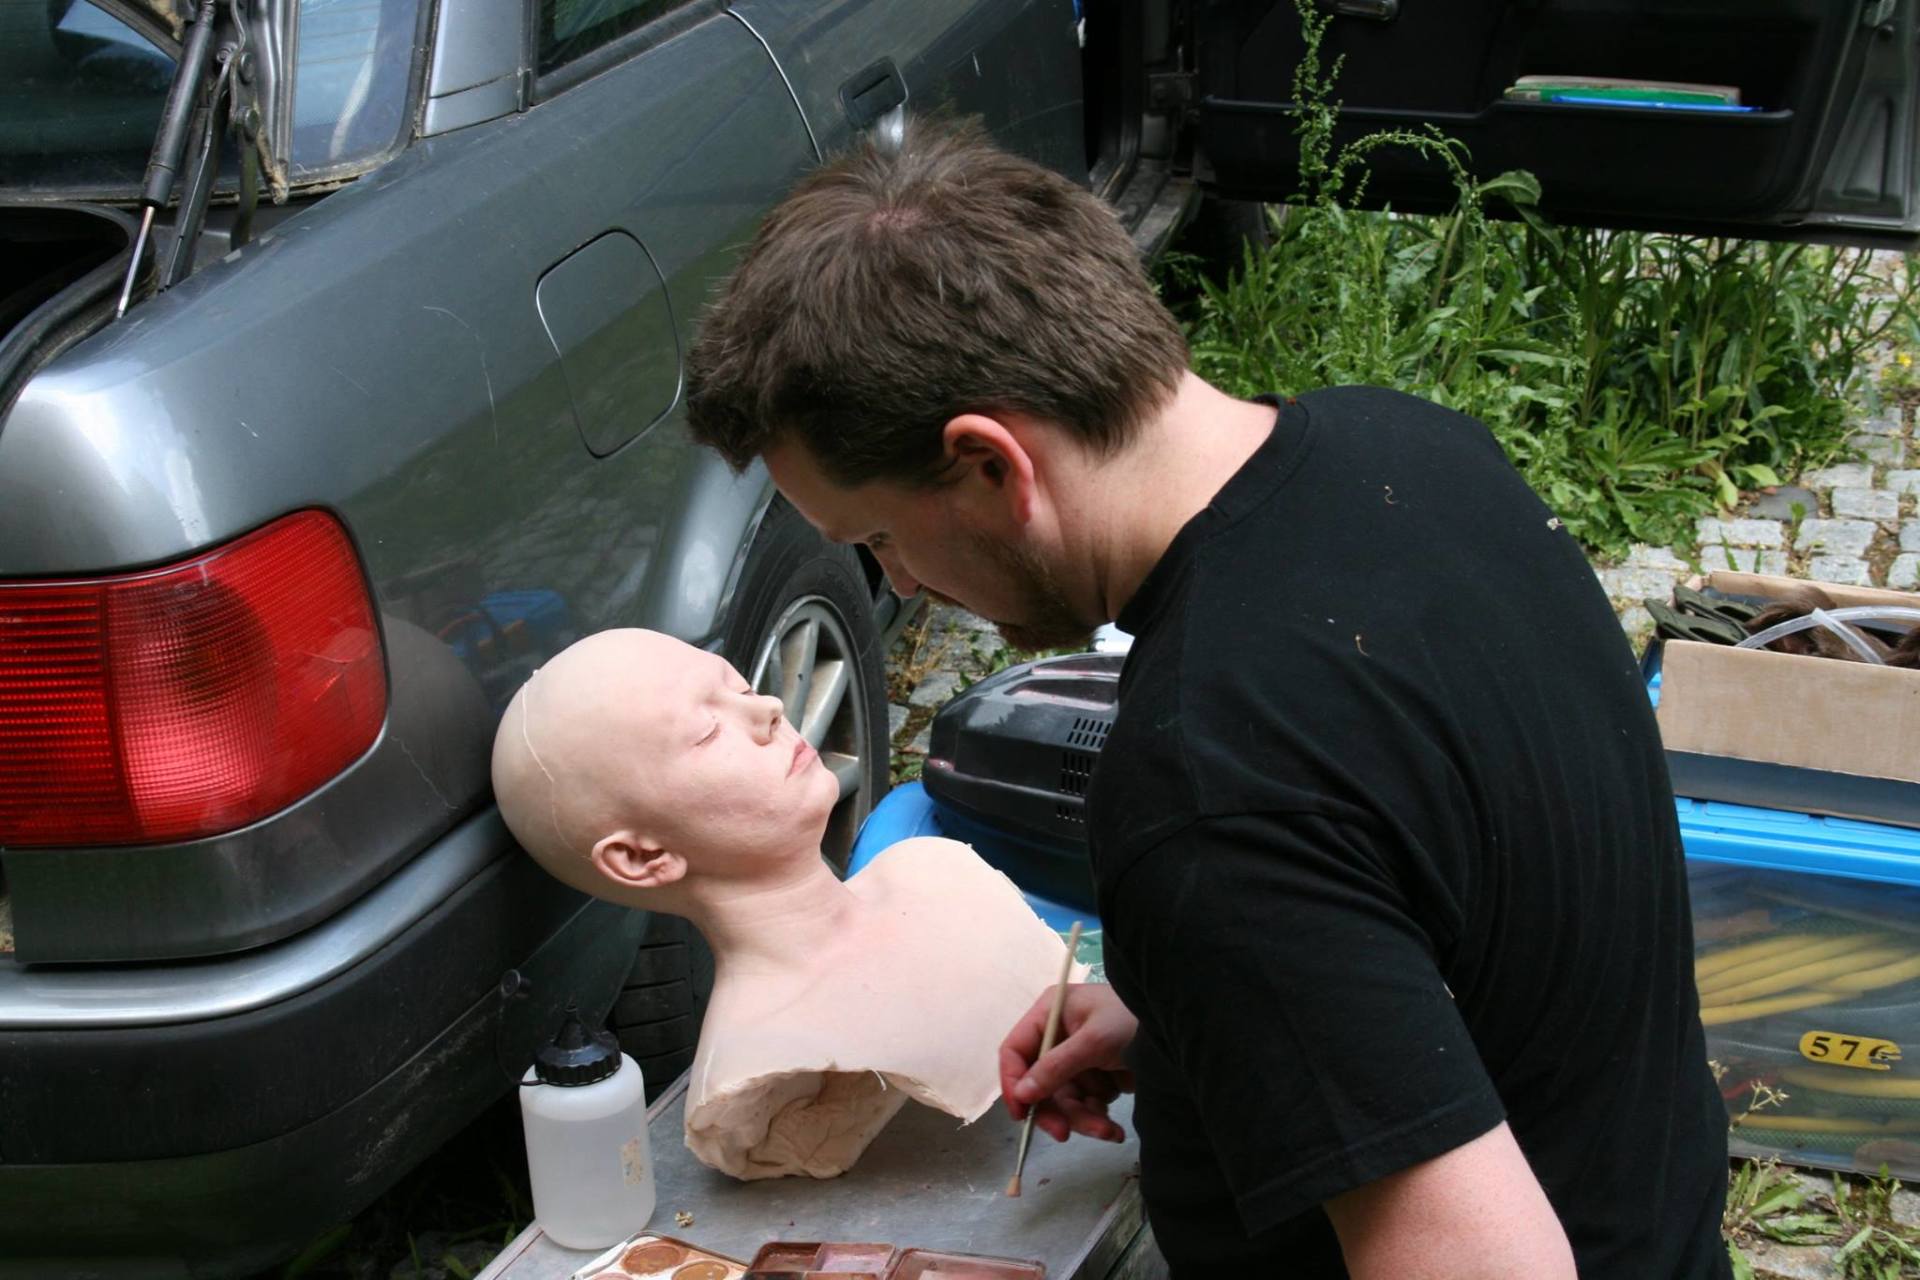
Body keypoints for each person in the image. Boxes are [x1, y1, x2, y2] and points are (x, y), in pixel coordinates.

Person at [682, 119, 1729, 1278]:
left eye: (880, 536)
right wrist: (1216, 1016)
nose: (906, 584)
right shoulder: (1407, 448)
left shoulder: (1209, 785)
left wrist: (1232, 930)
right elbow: (1460, 883)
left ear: (990, 464)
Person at [489, 628, 1077, 1180]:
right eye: (707, 732)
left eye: (742, 689)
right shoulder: (755, 1071)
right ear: (643, 857)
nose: (768, 708)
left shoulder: (938, 870)